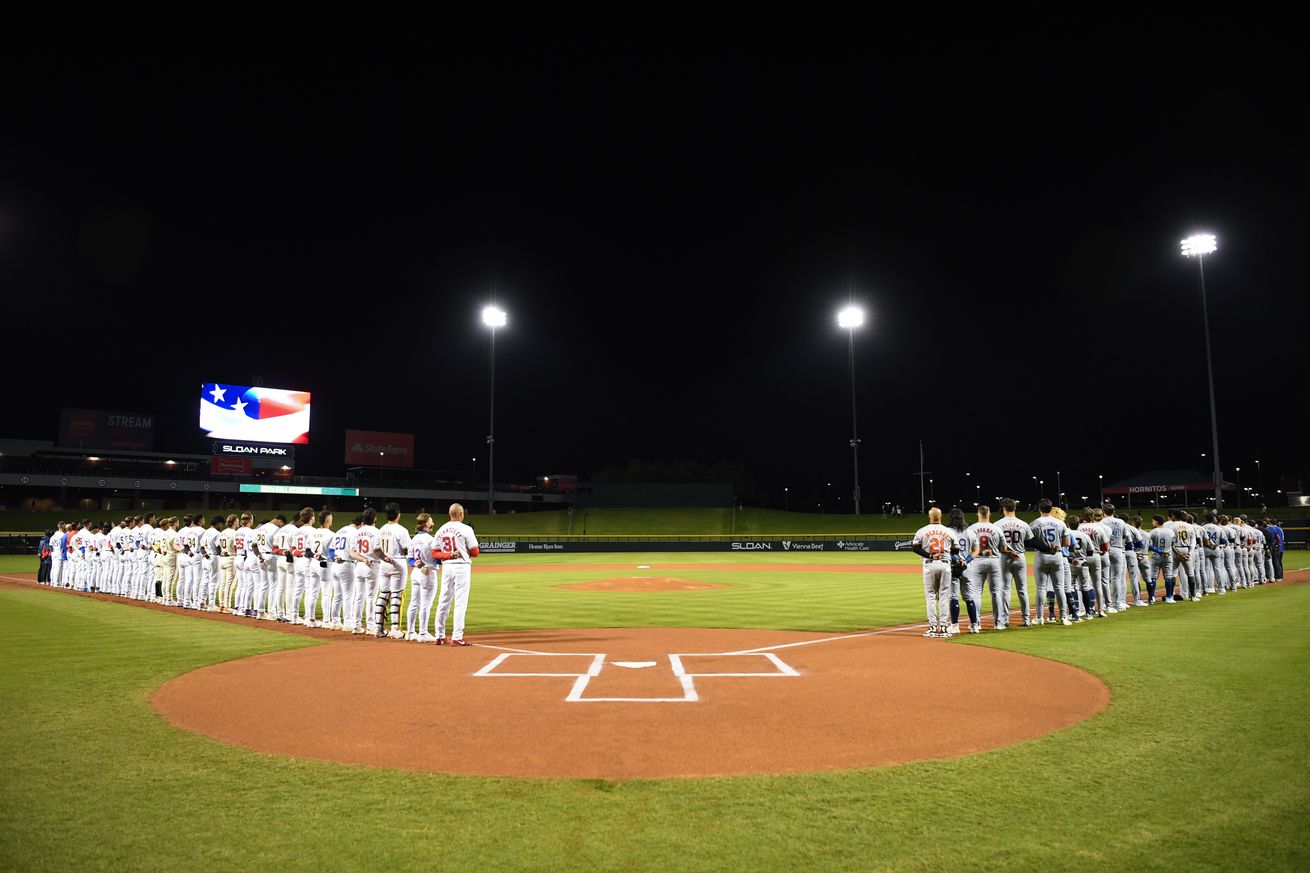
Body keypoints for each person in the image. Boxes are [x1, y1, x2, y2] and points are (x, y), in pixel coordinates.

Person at [432, 503, 481, 646]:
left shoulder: (441, 529)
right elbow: (475, 552)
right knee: (460, 602)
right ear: (461, 515)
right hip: (462, 567)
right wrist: (463, 549)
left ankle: (439, 635)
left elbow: (434, 553)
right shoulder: (466, 529)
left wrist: (448, 555)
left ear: (450, 514)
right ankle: (457, 636)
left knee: (444, 600)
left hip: (447, 567)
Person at [910, 507, 957, 637]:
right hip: (945, 565)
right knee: (943, 596)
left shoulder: (922, 531)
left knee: (930, 596)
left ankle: (932, 627)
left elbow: (915, 548)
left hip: (929, 565)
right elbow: (955, 550)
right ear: (941, 516)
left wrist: (929, 555)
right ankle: (943, 627)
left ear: (930, 516)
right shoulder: (949, 531)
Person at [965, 505, 1011, 632]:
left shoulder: (971, 529)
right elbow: (1004, 549)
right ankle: (999, 623)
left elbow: (968, 548)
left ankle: (976, 623)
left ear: (978, 514)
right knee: (996, 593)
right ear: (989, 514)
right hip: (994, 561)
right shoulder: (997, 528)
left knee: (976, 593)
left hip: (976, 562)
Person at [1029, 499, 1071, 625]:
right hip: (1057, 556)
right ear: (1050, 508)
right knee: (1059, 588)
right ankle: (1064, 617)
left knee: (1041, 588)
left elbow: (1030, 541)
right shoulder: (1060, 523)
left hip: (1042, 556)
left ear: (1040, 509)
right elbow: (1067, 543)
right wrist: (1057, 545)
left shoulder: (1035, 523)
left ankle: (1039, 617)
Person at [373, 503, 411, 639]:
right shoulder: (401, 530)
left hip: (384, 563)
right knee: (396, 595)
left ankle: (378, 627)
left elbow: (376, 550)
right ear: (398, 515)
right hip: (397, 561)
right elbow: (407, 549)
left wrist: (384, 557)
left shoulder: (381, 529)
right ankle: (395, 628)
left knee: (383, 594)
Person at [994, 498, 1034, 627]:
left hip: (1004, 558)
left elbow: (996, 545)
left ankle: (1005, 620)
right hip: (1020, 556)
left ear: (1003, 509)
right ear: (1015, 508)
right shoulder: (1023, 524)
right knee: (1022, 590)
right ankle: (1026, 619)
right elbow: (1030, 541)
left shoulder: (997, 524)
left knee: (1005, 589)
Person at [406, 513, 440, 641]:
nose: (433, 523)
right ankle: (423, 633)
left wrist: (416, 564)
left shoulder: (413, 539)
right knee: (426, 604)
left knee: (414, 603)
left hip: (416, 572)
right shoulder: (431, 540)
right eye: (431, 521)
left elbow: (410, 559)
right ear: (426, 524)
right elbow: (437, 559)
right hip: (428, 572)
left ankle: (410, 632)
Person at [353, 508, 382, 633]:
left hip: (359, 565)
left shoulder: (357, 532)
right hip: (372, 565)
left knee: (359, 596)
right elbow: (378, 550)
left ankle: (356, 626)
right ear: (374, 518)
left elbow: (352, 552)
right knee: (371, 597)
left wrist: (362, 558)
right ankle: (370, 625)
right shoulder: (376, 532)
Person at [1145, 515, 1175, 604]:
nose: (1152, 522)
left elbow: (1150, 546)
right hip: (1168, 555)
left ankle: (1151, 598)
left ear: (1157, 522)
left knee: (1153, 577)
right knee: (1168, 576)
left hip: (1156, 555)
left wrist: (1159, 551)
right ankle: (1169, 597)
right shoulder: (1170, 531)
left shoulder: (1153, 532)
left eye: (1153, 521)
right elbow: (1172, 543)